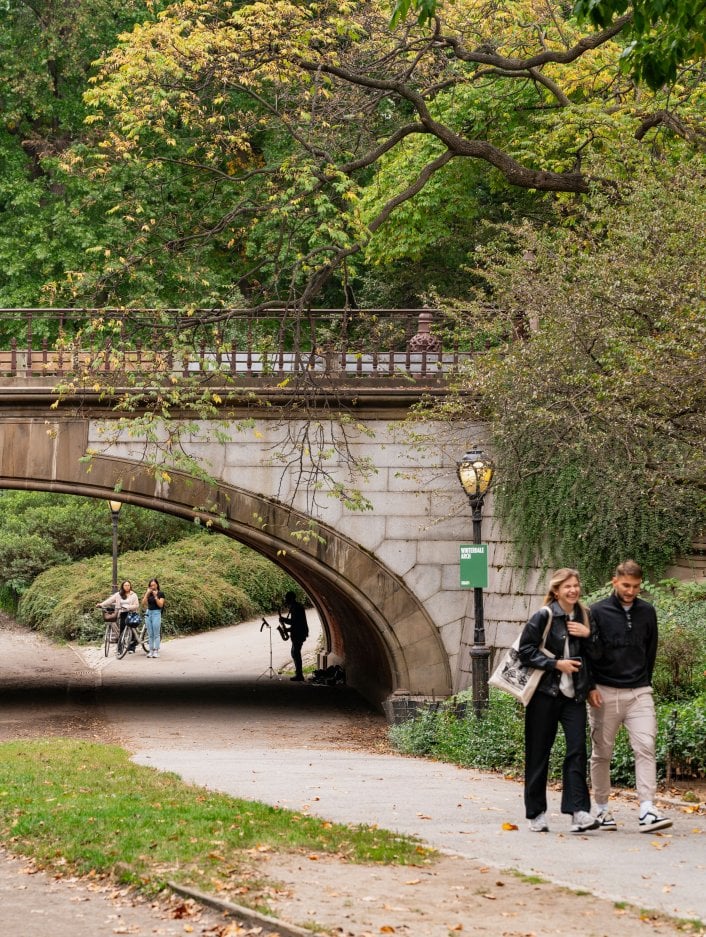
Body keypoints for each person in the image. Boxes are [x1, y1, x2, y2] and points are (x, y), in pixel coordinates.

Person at [588, 560, 672, 833]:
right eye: (626, 585)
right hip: (604, 692)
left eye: (636, 586)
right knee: (602, 754)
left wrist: (643, 682)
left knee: (645, 747)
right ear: (615, 582)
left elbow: (651, 651)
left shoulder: (648, 612)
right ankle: (601, 810)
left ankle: (648, 808)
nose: (631, 591)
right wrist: (590, 688)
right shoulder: (597, 612)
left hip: (639, 692)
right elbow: (589, 653)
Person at [518, 567, 599, 834]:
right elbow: (525, 651)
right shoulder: (545, 615)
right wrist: (556, 664)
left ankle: (578, 812)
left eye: (576, 585)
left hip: (573, 696)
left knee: (577, 750)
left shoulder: (585, 615)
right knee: (538, 753)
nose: (573, 590)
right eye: (567, 587)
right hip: (544, 695)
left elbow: (595, 655)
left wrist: (588, 636)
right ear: (556, 590)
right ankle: (537, 813)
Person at [97, 580, 139, 647]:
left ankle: (132, 646)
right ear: (122, 586)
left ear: (130, 586)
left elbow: (136, 605)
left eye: (128, 585)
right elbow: (110, 600)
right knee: (122, 630)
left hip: (131, 613)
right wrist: (101, 604)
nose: (127, 587)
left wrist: (128, 607)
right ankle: (120, 648)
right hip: (123, 613)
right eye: (125, 585)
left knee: (132, 629)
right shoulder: (118, 594)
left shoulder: (133, 595)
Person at [279, 591, 309, 682]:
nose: (286, 600)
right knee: (294, 652)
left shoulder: (297, 608)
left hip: (299, 633)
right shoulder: (295, 606)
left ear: (291, 598)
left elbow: (295, 622)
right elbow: (295, 622)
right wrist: (287, 627)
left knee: (295, 652)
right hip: (298, 632)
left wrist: (284, 621)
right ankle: (298, 673)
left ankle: (299, 675)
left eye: (287, 598)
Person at [141, 578, 165, 659]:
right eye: (151, 585)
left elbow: (161, 605)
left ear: (157, 585)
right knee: (150, 634)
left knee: (156, 634)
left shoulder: (161, 593)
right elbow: (143, 603)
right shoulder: (149, 593)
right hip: (148, 613)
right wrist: (147, 594)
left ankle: (156, 651)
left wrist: (155, 596)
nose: (152, 586)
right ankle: (150, 651)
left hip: (156, 613)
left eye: (154, 585)